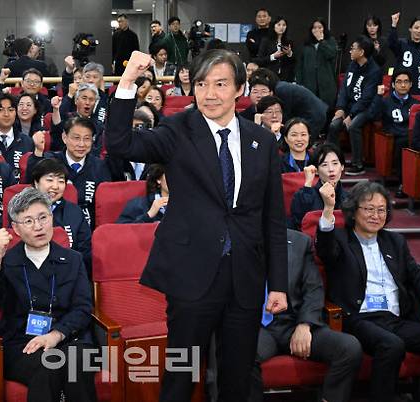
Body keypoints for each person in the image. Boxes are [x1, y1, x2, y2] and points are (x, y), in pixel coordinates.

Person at [106, 50, 288, 402]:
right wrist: (127, 81)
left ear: (240, 89)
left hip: (245, 278)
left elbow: (273, 218)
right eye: (202, 84)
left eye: (220, 84)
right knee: (181, 375)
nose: (209, 94)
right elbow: (119, 143)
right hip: (191, 278)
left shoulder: (261, 141)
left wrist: (277, 284)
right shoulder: (178, 130)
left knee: (238, 377)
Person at [316, 181, 420, 402]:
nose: (375, 215)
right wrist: (329, 209)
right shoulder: (340, 239)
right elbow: (325, 249)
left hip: (394, 318)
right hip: (359, 317)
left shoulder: (394, 241)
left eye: (381, 210)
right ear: (353, 211)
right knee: (391, 345)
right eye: (369, 209)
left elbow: (416, 273)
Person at [0, 188, 97, 401]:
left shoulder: (73, 259)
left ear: (51, 218)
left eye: (43, 217)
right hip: (23, 343)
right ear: (15, 229)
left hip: (68, 337)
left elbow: (82, 309)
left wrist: (56, 335)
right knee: (49, 364)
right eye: (28, 221)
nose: (38, 226)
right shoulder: (7, 261)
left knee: (78, 361)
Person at [249, 228, 362, 402]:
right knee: (241, 353)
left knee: (349, 347)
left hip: (292, 323)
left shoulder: (299, 242)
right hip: (256, 326)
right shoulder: (239, 238)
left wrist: (305, 324)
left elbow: (313, 289)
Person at [27, 116, 112, 228]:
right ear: (64, 137)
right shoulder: (51, 161)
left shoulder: (100, 167)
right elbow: (30, 181)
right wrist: (38, 152)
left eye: (87, 139)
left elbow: (103, 207)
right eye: (76, 138)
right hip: (52, 225)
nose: (81, 144)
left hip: (87, 228)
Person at [326, 36, 381, 176]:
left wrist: (351, 115)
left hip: (367, 109)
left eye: (353, 48)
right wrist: (340, 109)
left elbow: (367, 98)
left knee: (354, 125)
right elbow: (344, 89)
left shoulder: (374, 71)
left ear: (361, 52)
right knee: (333, 125)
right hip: (349, 107)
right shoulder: (352, 65)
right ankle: (335, 160)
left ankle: (358, 164)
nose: (350, 51)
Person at [31, 158, 92, 273]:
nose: (55, 186)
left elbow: (86, 250)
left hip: (69, 273)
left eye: (61, 181)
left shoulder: (74, 211)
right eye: (50, 180)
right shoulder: (23, 210)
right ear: (36, 182)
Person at [369, 69, 420, 197]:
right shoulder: (385, 101)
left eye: (406, 82)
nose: (403, 85)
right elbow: (373, 116)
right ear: (393, 85)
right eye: (399, 82)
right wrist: (378, 96)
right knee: (403, 144)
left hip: (413, 138)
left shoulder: (417, 103)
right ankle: (403, 183)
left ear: (411, 84)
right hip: (394, 138)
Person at [250, 68, 328, 141]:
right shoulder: (279, 87)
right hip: (311, 112)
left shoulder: (281, 90)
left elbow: (284, 115)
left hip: (314, 114)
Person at [289, 143, 347, 230]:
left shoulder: (350, 197)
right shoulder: (302, 195)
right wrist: (307, 185)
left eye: (335, 163)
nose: (331, 169)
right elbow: (300, 223)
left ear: (342, 166)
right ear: (316, 170)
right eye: (324, 165)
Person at [389, 12, 420, 101]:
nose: (419, 31)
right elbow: (391, 43)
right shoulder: (402, 43)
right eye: (416, 28)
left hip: (419, 89)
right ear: (410, 29)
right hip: (400, 88)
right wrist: (394, 25)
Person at [295, 18, 337, 109]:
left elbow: (331, 54)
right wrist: (299, 83)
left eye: (320, 27)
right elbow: (300, 66)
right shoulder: (306, 44)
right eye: (314, 28)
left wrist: (321, 41)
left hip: (326, 84)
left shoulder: (330, 41)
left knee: (327, 110)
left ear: (324, 29)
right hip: (309, 84)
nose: (317, 30)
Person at [256, 16, 295, 82]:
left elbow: (294, 61)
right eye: (279, 25)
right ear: (273, 26)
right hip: (269, 76)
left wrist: (289, 54)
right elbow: (259, 60)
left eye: (284, 25)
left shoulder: (289, 42)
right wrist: (273, 56)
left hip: (285, 77)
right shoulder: (266, 41)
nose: (281, 27)